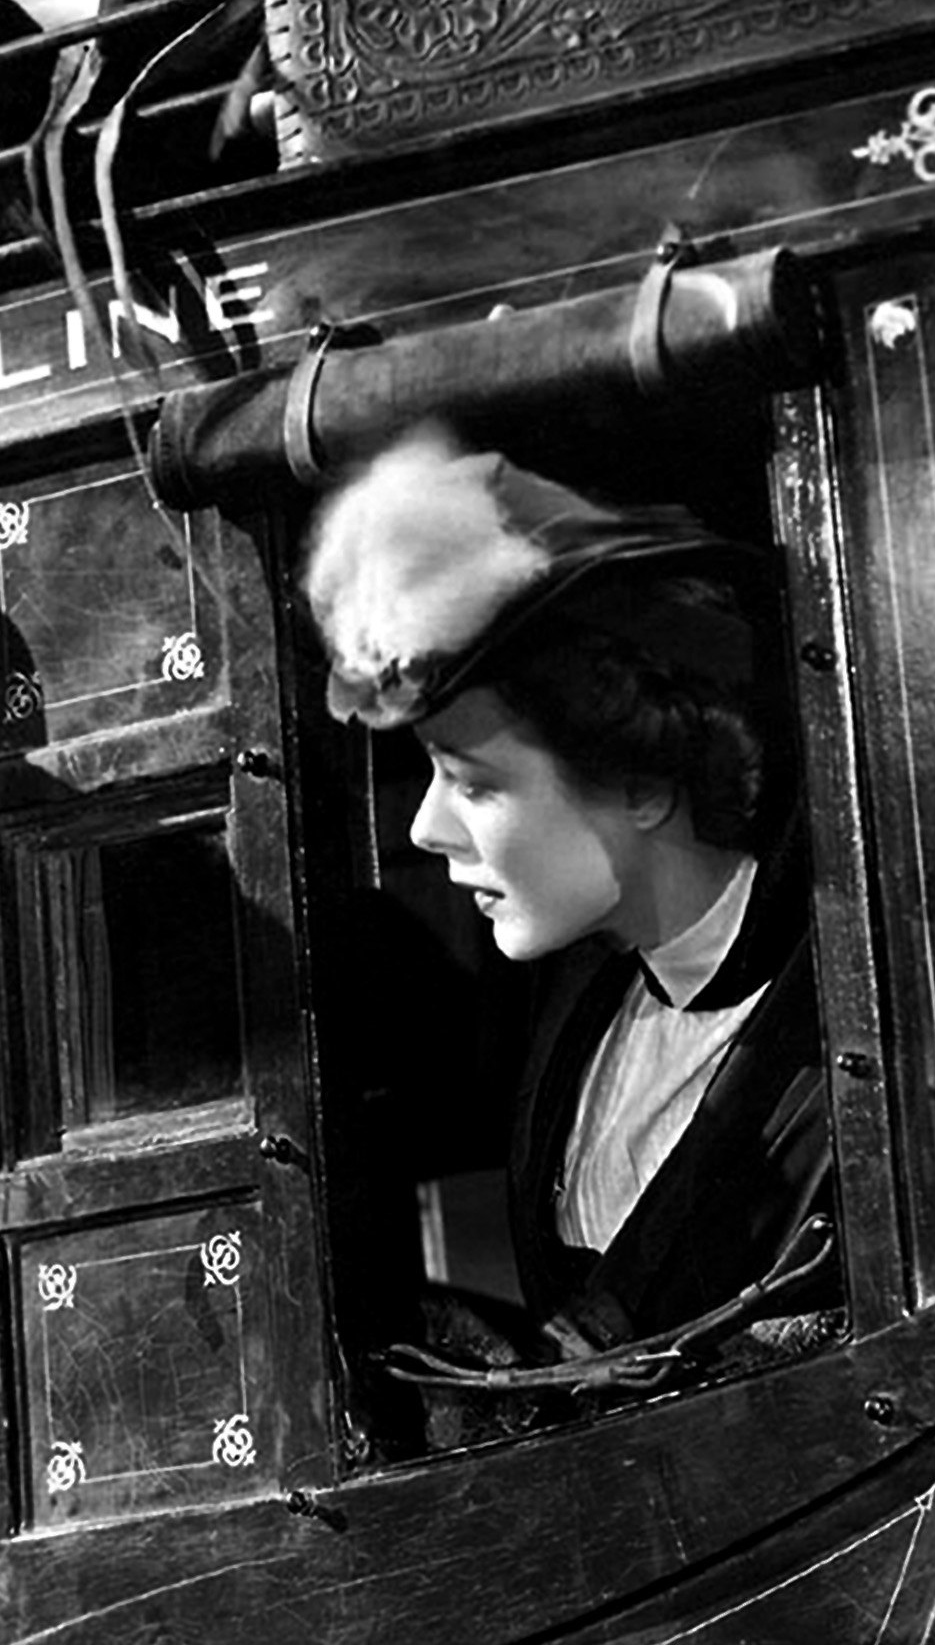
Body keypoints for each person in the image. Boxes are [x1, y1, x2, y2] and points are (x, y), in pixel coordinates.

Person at [300, 428, 833, 1392]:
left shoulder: (837, 1027)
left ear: (641, 782)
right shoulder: (569, 993)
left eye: (476, 783)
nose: (425, 829)